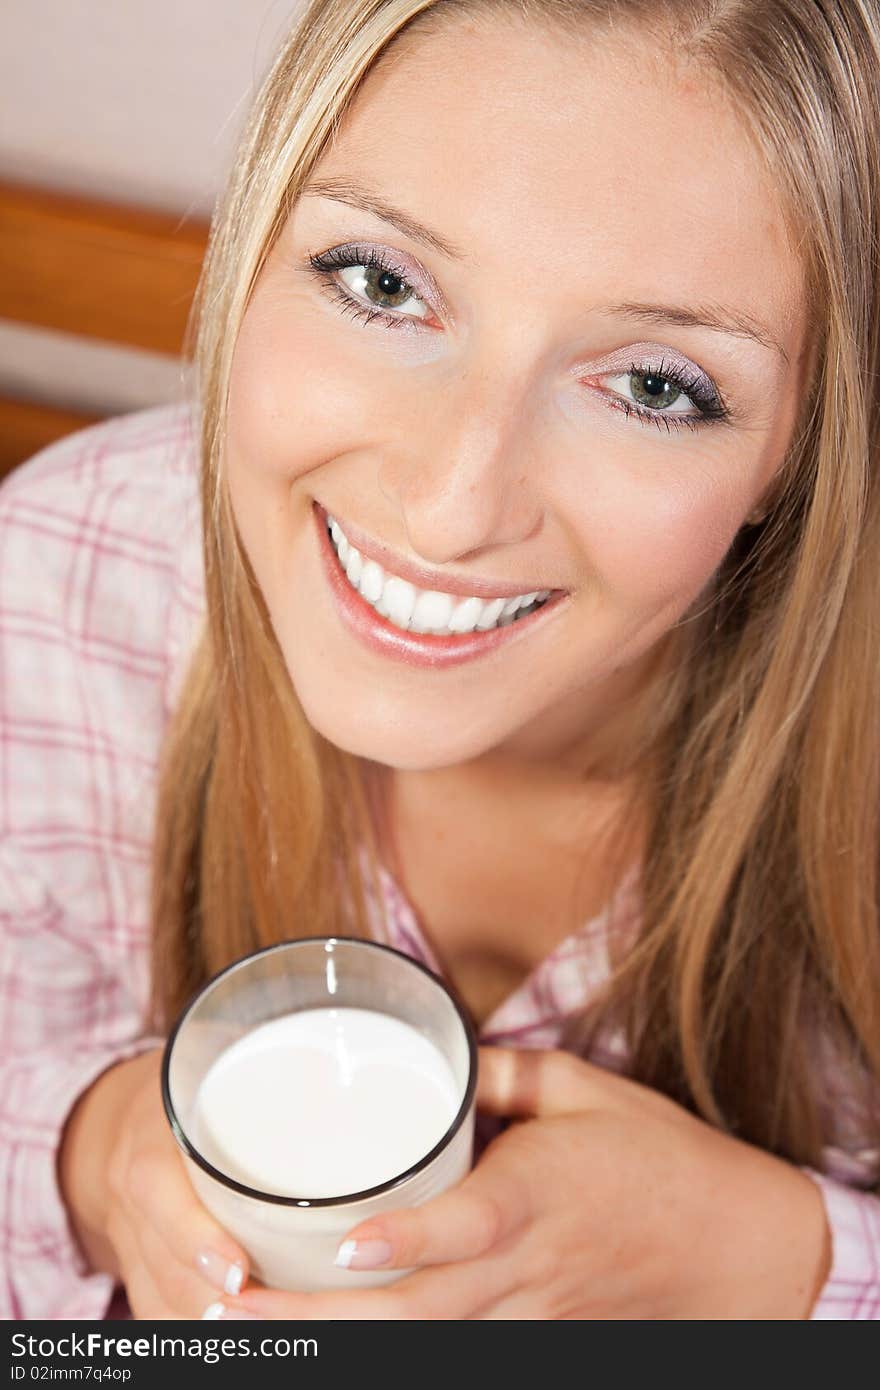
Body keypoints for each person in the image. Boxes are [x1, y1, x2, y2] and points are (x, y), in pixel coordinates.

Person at [2, 0, 879, 1320]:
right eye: (382, 284)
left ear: (792, 455)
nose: (455, 503)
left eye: (653, 385)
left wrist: (779, 1258)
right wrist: (83, 1154)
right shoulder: (67, 578)